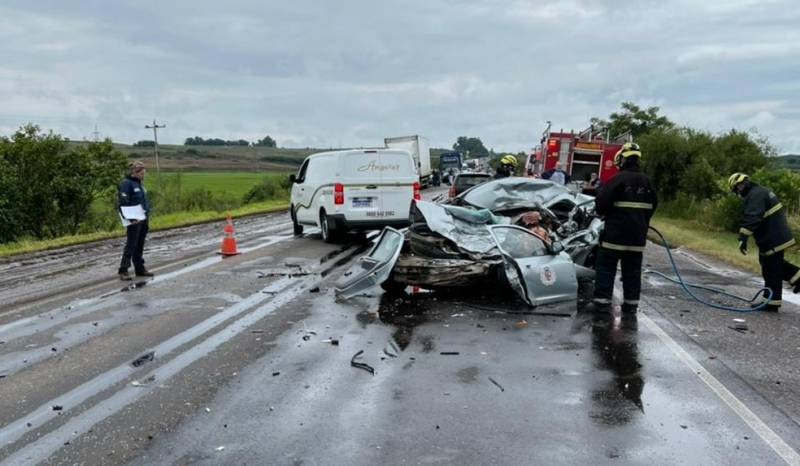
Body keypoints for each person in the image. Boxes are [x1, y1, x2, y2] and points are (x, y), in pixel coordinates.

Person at [586, 142, 657, 315]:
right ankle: (631, 304)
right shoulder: (648, 182)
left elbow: (601, 204)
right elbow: (653, 206)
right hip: (637, 239)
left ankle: (602, 303)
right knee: (632, 271)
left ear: (622, 159)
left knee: (605, 268)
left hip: (614, 238)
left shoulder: (616, 180)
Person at [729, 173, 800, 312]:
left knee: (771, 269)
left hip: (773, 237)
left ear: (741, 185)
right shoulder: (759, 191)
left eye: (737, 189)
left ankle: (771, 303)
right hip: (774, 236)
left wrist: (743, 237)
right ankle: (797, 278)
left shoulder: (755, 195)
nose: (739, 191)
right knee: (772, 264)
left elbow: (752, 216)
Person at [118, 160, 154, 280]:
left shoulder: (139, 184)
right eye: (142, 173)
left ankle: (140, 268)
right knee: (131, 244)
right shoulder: (126, 184)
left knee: (140, 244)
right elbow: (123, 202)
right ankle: (123, 270)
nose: (143, 175)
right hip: (134, 219)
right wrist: (130, 218)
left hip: (143, 217)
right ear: (135, 172)